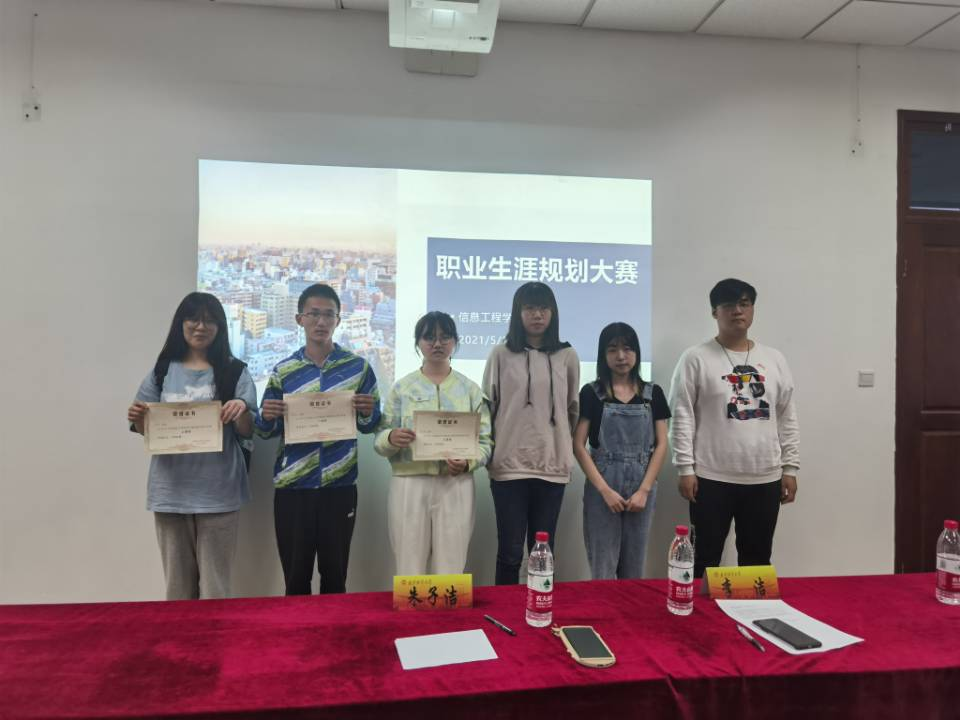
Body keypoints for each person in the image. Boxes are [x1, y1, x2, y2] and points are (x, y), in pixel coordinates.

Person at [127, 292, 255, 600]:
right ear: (180, 323)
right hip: (170, 492)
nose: (201, 326)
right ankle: (181, 635)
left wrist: (241, 409)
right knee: (177, 588)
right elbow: (146, 430)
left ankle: (215, 634)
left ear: (220, 327)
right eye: (193, 319)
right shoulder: (161, 370)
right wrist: (138, 417)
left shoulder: (234, 371)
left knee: (215, 588)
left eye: (210, 320)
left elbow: (249, 430)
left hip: (218, 493)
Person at [669, 278, 799, 578]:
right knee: (704, 559)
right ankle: (700, 610)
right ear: (715, 312)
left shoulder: (774, 359)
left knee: (757, 559)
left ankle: (752, 609)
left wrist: (790, 467)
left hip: (765, 476)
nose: (737, 311)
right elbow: (682, 414)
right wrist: (685, 468)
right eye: (728, 305)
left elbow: (787, 415)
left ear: (752, 309)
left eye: (744, 304)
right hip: (710, 477)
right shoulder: (695, 358)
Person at [256, 283, 380, 595]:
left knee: (335, 578)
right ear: (300, 319)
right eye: (314, 314)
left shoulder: (358, 368)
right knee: (295, 579)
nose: (321, 321)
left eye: (328, 314)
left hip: (339, 487)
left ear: (338, 320)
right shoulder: (284, 370)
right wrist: (266, 416)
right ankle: (298, 628)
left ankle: (333, 628)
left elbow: (371, 424)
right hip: (293, 487)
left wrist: (368, 411)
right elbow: (266, 430)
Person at [375, 312, 492, 576]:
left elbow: (485, 442)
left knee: (451, 564)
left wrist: (468, 462)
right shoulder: (402, 388)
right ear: (418, 342)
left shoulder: (470, 390)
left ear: (455, 342)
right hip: (409, 482)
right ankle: (411, 606)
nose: (437, 343)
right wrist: (391, 438)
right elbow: (380, 439)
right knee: (408, 562)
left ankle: (448, 606)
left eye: (445, 337)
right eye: (429, 337)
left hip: (456, 483)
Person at [482, 282, 580, 585]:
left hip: (552, 467)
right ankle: (506, 611)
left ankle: (540, 606)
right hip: (508, 467)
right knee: (510, 553)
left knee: (543, 553)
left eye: (543, 308)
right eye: (529, 308)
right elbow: (487, 407)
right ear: (518, 312)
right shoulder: (500, 353)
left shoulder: (567, 355)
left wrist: (561, 446)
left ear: (553, 312)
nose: (537, 315)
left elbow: (572, 409)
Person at [573, 322, 669, 579]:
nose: (621, 356)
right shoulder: (591, 393)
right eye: (612, 349)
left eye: (627, 348)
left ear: (636, 352)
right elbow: (578, 445)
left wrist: (644, 490)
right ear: (603, 355)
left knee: (634, 568)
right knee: (602, 566)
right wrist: (604, 491)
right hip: (603, 481)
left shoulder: (653, 394)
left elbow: (662, 444)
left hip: (642, 482)